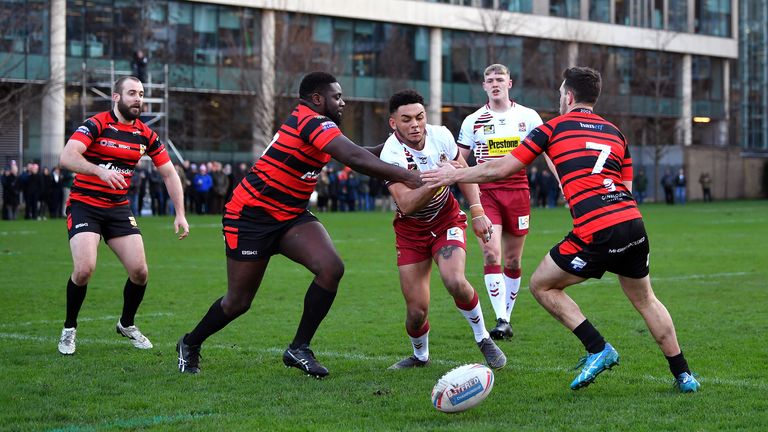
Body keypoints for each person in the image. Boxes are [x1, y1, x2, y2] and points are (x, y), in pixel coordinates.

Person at [423, 67, 700, 393]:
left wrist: (452, 176)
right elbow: (625, 187)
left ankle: (598, 348)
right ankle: (684, 375)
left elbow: (503, 167)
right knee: (646, 299)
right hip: (633, 225)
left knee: (542, 286)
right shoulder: (616, 133)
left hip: (597, 231)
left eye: (559, 94)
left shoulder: (553, 128)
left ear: (568, 96)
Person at [175, 72, 423, 377]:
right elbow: (354, 157)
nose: (343, 102)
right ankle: (190, 342)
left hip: (290, 214)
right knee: (238, 302)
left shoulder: (319, 124)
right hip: (250, 217)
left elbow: (356, 153)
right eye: (337, 97)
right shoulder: (312, 121)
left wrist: (397, 145)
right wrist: (407, 175)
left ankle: (299, 348)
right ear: (317, 99)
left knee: (331, 268)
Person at [57, 76, 189, 355]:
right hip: (85, 204)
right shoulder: (96, 124)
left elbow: (168, 173)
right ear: (116, 97)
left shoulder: (145, 134)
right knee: (84, 270)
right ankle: (69, 328)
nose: (138, 99)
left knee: (140, 272)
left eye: (141, 94)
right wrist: (99, 170)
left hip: (117, 208)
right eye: (131, 93)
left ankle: (126, 324)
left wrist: (180, 213)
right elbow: (67, 157)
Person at [381, 89, 506, 370]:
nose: (415, 124)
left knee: (454, 280)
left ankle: (483, 337)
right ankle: (420, 356)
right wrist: (439, 179)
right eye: (407, 119)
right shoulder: (390, 154)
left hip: (446, 219)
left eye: (420, 117)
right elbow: (407, 203)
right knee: (416, 311)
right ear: (393, 123)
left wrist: (477, 212)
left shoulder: (441, 136)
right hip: (411, 231)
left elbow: (464, 173)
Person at [456, 64, 544, 340]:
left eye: (500, 79)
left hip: (518, 191)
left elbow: (549, 152)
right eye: (490, 80)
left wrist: (565, 180)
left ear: (509, 83)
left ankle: (507, 314)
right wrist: (447, 173)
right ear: (484, 86)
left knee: (513, 259)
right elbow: (459, 157)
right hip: (487, 193)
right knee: (491, 253)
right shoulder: (473, 120)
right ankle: (502, 319)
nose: (495, 84)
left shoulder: (528, 117)